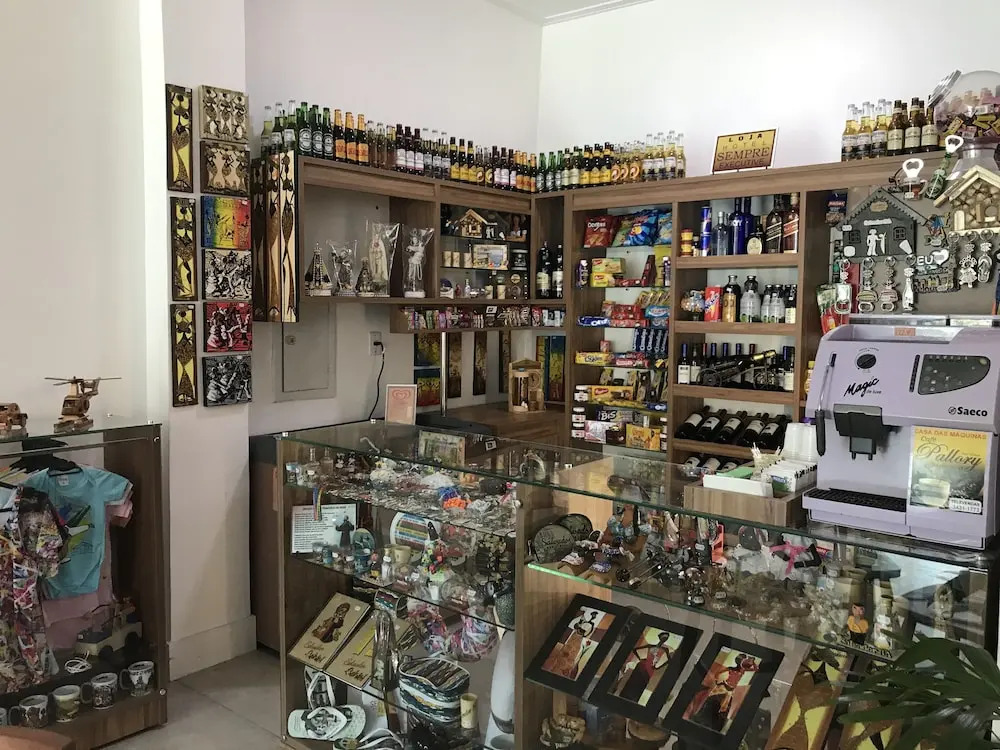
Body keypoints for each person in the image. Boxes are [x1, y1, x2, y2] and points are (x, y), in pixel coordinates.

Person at [616, 630, 672, 704]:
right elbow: (636, 651)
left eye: (666, 638)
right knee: (633, 681)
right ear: (660, 637)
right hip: (641, 666)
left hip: (649, 670)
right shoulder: (650, 646)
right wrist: (643, 658)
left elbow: (667, 660)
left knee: (641, 684)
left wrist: (657, 665)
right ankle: (625, 696)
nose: (664, 639)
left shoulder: (665, 650)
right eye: (663, 637)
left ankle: (632, 700)